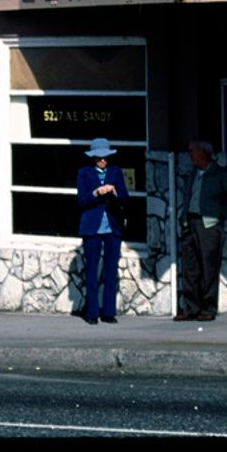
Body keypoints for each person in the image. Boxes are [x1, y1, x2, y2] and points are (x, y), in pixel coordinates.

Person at [177, 139, 227, 321]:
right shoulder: (193, 174)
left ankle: (208, 308)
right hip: (190, 223)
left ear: (203, 153)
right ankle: (191, 307)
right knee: (190, 268)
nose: (190, 155)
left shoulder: (219, 175)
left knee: (209, 268)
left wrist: (221, 213)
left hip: (209, 225)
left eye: (193, 151)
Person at [76, 136, 130, 324]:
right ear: (93, 157)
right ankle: (92, 313)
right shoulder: (84, 173)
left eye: (105, 157)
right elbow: (81, 200)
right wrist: (96, 193)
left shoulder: (116, 172)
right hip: (92, 227)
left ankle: (108, 312)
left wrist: (114, 191)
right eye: (99, 157)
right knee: (92, 270)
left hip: (112, 227)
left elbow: (125, 197)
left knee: (110, 270)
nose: (102, 160)